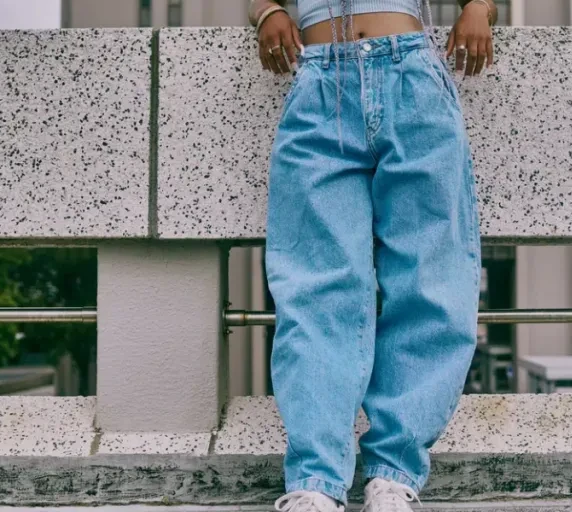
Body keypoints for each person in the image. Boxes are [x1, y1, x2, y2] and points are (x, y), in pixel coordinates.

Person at [248, 0, 496, 511]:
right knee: (316, 286)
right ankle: (315, 481)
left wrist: (479, 7)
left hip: (412, 75)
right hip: (319, 81)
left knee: (430, 278)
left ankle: (394, 473)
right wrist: (269, 11)